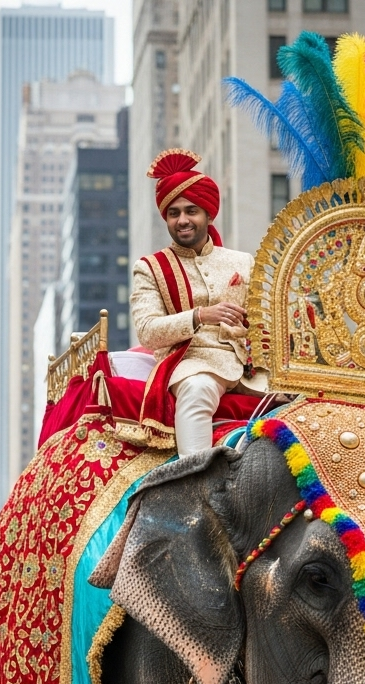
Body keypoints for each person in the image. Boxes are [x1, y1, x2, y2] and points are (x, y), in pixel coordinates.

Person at [130, 149, 267, 456]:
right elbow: (148, 332)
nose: (183, 220)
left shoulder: (242, 262)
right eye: (174, 213)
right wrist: (200, 315)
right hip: (191, 363)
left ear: (208, 213)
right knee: (197, 390)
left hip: (248, 366)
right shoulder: (150, 268)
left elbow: (265, 323)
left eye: (191, 211)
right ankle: (194, 483)